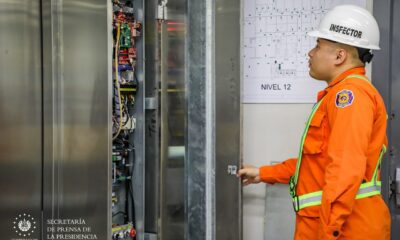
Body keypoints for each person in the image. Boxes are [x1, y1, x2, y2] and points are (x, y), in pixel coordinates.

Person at [237, 4, 391, 240]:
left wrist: (329, 232)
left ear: (340, 56)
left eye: (317, 46)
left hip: (344, 230)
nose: (310, 53)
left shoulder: (350, 97)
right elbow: (316, 163)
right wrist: (263, 173)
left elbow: (344, 170)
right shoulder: (341, 95)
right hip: (329, 226)